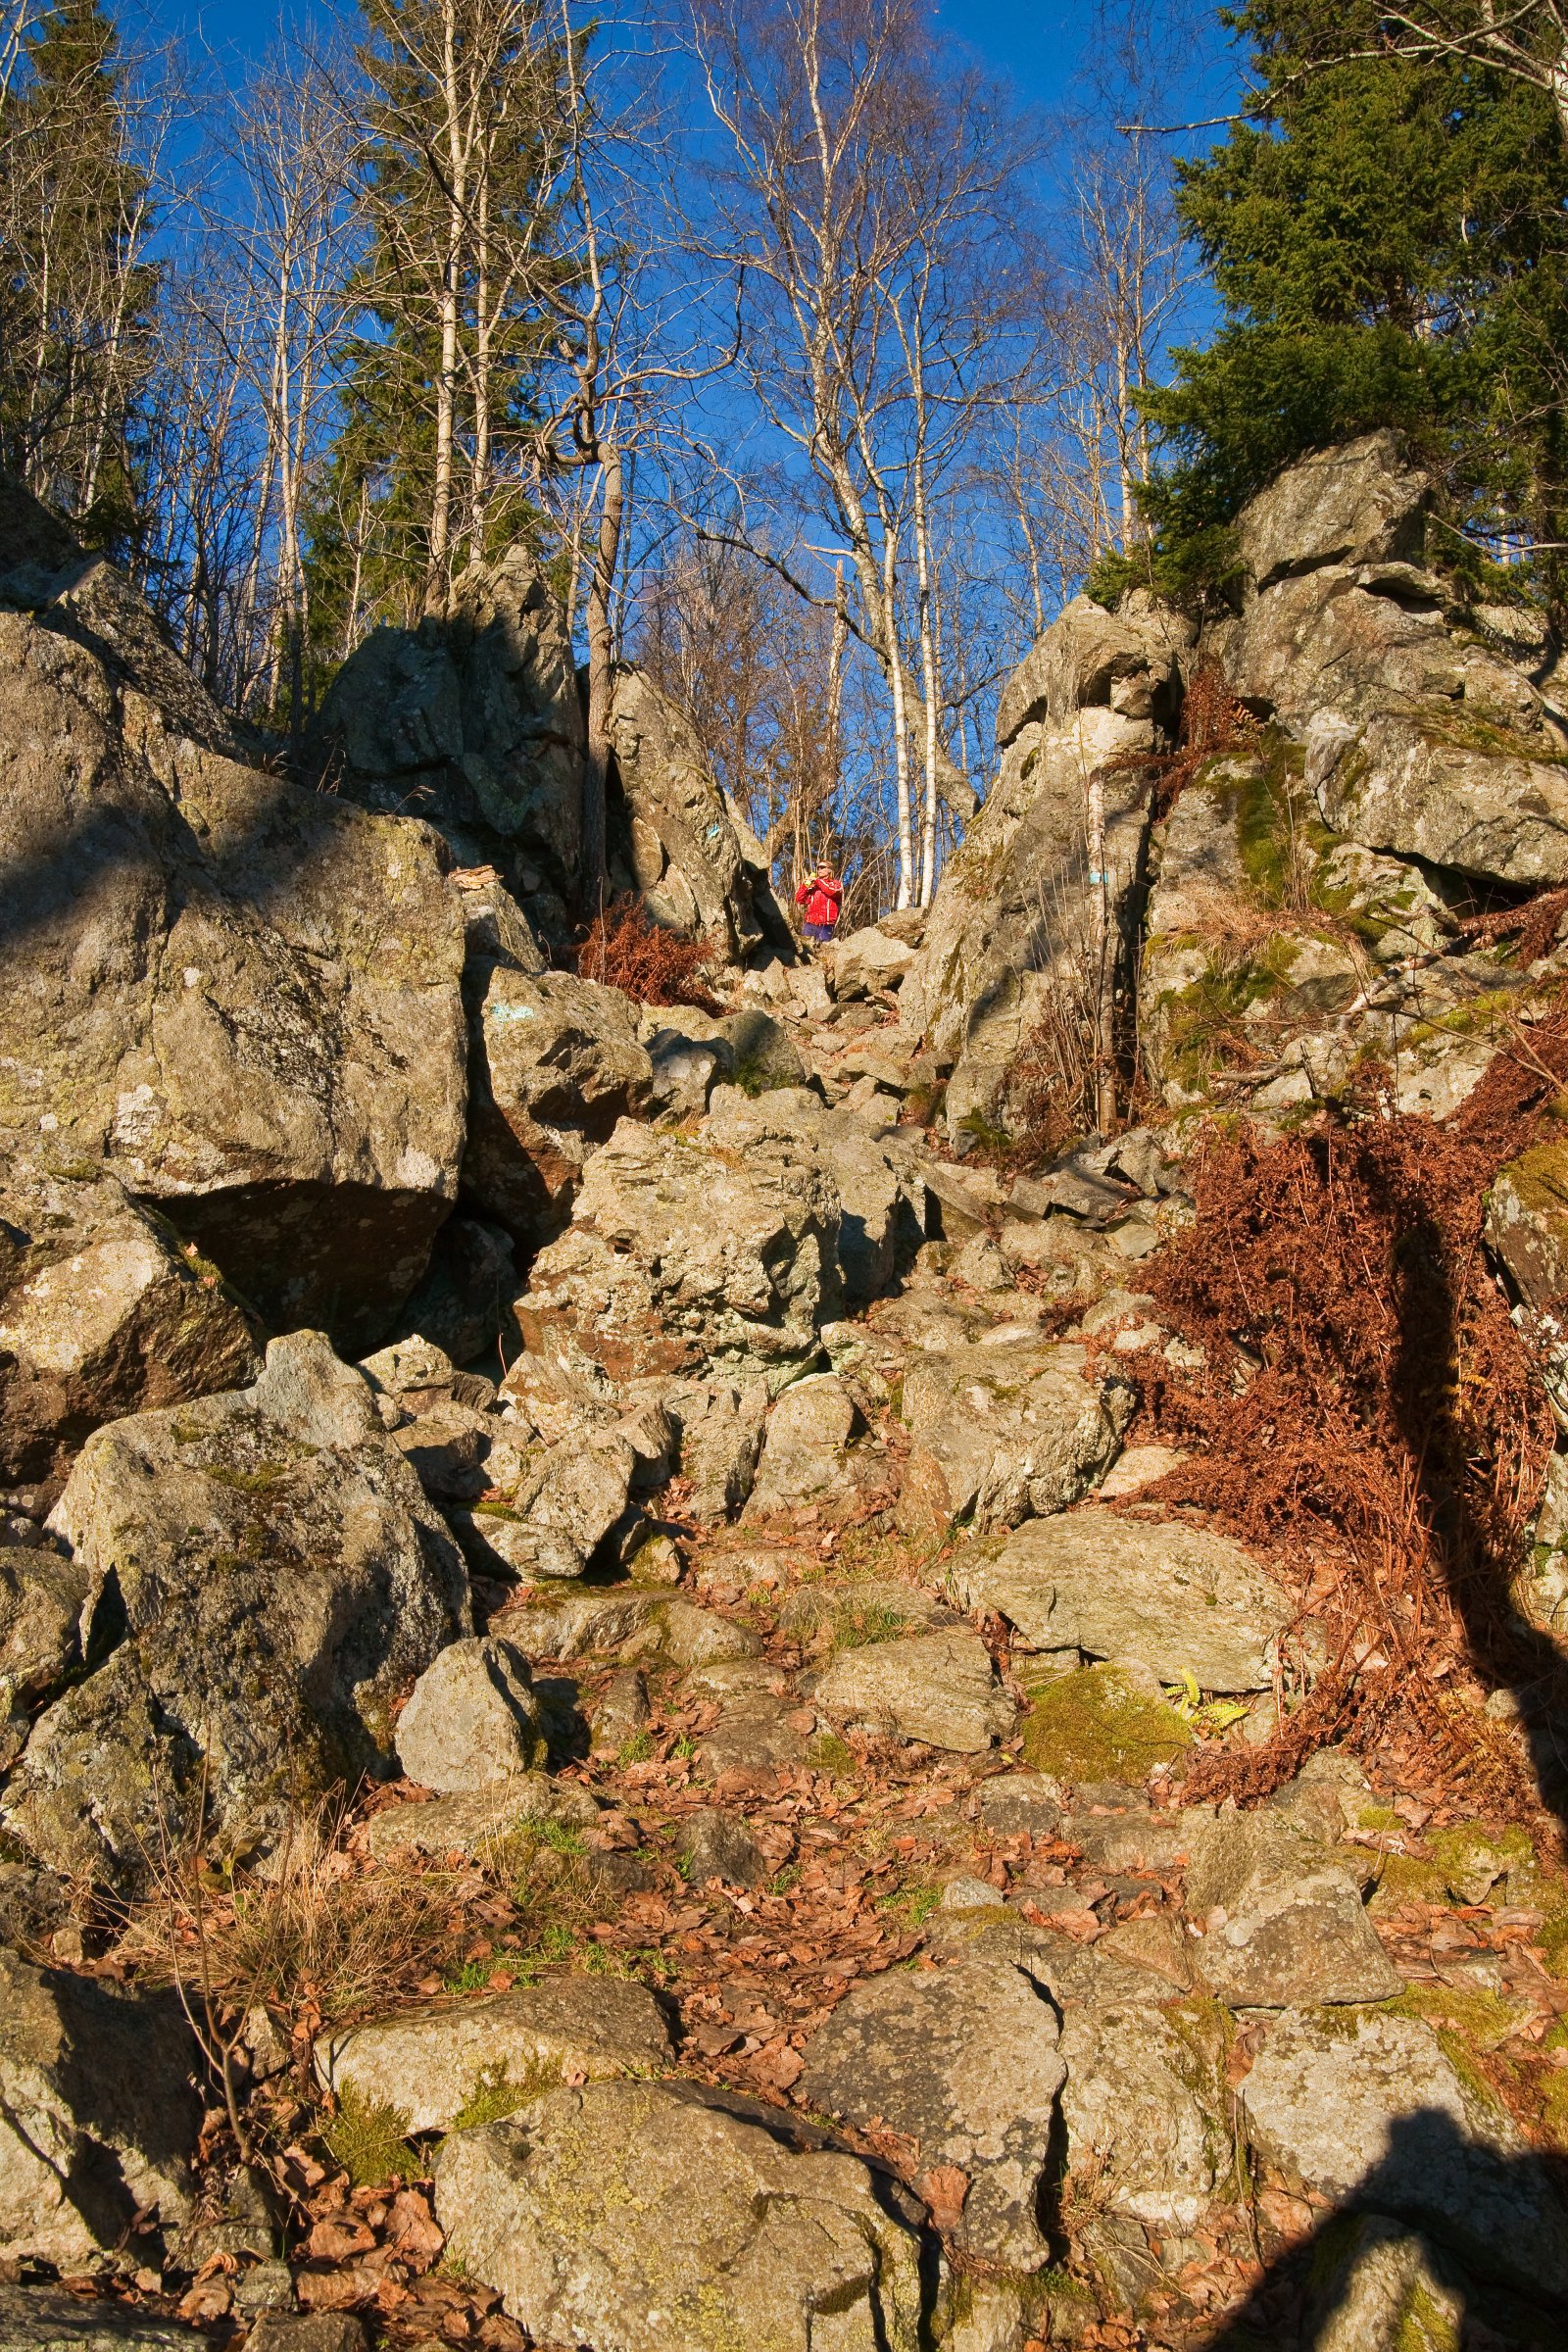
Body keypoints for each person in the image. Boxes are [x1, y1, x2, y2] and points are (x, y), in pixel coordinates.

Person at [795, 860, 843, 947]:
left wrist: (817, 881)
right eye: (818, 868)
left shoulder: (835, 884)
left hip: (826, 924)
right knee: (805, 949)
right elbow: (799, 899)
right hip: (810, 924)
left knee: (823, 949)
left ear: (829, 870)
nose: (819, 869)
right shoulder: (814, 887)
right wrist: (804, 886)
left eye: (822, 867)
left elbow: (833, 892)